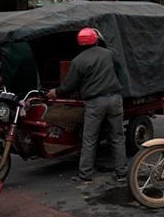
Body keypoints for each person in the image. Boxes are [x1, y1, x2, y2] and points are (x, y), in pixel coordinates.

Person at [46, 28, 127, 185]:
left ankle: (85, 176)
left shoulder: (78, 61)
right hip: (115, 99)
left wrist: (56, 92)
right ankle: (122, 174)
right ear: (96, 40)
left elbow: (69, 86)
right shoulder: (108, 53)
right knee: (117, 138)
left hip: (95, 103)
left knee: (90, 139)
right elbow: (117, 63)